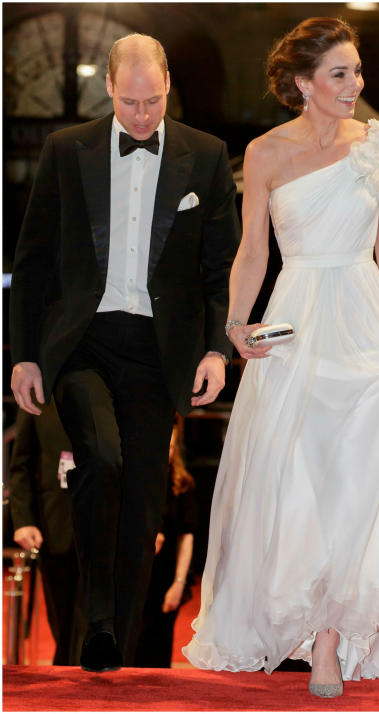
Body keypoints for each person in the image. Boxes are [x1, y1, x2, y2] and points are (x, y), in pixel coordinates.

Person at [182, 18, 379, 697]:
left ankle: (332, 638)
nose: (354, 85)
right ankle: (304, 620)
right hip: (297, 315)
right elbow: (253, 250)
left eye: (356, 72)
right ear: (303, 83)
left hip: (364, 316)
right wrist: (235, 325)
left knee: (361, 476)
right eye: (339, 74)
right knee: (298, 473)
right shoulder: (267, 153)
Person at [9, 33, 240, 671]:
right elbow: (29, 263)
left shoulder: (207, 155)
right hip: (82, 341)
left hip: (157, 351)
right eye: (131, 101)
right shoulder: (67, 149)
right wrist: (24, 354)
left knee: (143, 499)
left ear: (169, 86)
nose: (143, 114)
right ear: (109, 87)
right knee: (101, 460)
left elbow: (221, 268)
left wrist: (217, 350)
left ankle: (127, 652)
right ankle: (98, 620)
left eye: (155, 101)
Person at [8, 404, 85, 666]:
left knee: (95, 625)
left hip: (106, 528)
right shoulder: (38, 401)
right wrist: (24, 521)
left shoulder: (113, 384)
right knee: (63, 627)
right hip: (55, 529)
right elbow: (21, 466)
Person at [134, 416, 196, 667]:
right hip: (136, 579)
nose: (166, 454)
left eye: (171, 448)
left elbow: (187, 536)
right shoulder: (134, 482)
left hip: (166, 578)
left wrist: (179, 583)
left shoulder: (182, 484)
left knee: (159, 650)